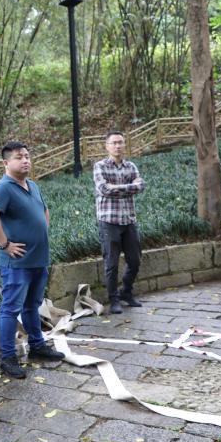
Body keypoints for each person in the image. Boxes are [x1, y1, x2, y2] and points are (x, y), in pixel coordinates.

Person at [0, 142, 65, 380]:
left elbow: (44, 211)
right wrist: (5, 244)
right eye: (19, 157)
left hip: (38, 260)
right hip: (16, 264)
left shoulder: (32, 185)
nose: (26, 160)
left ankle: (37, 346)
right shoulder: (4, 188)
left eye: (27, 156)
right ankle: (7, 358)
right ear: (6, 163)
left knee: (32, 306)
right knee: (10, 309)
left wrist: (40, 232)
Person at [93, 130, 146, 314]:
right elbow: (104, 189)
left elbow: (141, 186)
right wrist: (129, 187)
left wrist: (117, 187)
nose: (117, 146)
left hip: (128, 220)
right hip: (108, 221)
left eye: (120, 142)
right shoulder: (99, 166)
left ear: (124, 145)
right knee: (112, 264)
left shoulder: (130, 166)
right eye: (113, 143)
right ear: (107, 146)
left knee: (135, 260)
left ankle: (126, 292)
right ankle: (113, 299)